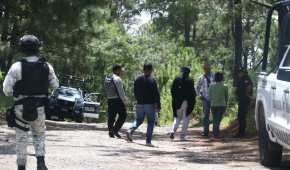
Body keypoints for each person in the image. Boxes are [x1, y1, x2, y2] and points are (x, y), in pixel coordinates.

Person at [3, 35, 59, 170]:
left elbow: (6, 89)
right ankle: (40, 162)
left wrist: (14, 93)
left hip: (20, 108)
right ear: (37, 48)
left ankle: (21, 166)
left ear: (22, 49)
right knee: (39, 134)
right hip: (39, 107)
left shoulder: (16, 67)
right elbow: (55, 85)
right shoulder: (47, 66)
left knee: (21, 137)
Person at [126, 64, 161, 146]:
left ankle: (130, 130)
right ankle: (148, 141)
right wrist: (158, 105)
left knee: (139, 120)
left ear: (143, 69)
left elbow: (135, 91)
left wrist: (138, 99)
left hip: (139, 103)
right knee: (151, 122)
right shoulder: (152, 80)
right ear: (150, 70)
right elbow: (156, 94)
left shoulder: (137, 79)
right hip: (149, 104)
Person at [170, 67, 196, 140]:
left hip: (177, 102)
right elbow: (192, 92)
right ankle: (182, 136)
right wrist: (192, 102)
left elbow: (172, 90)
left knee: (177, 118)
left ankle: (173, 131)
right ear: (188, 73)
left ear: (181, 71)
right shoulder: (190, 80)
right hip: (187, 102)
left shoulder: (176, 79)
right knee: (186, 118)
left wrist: (175, 99)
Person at [104, 64, 128, 138]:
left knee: (111, 115)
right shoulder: (117, 79)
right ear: (117, 70)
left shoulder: (107, 78)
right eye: (121, 70)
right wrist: (125, 101)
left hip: (110, 99)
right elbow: (121, 92)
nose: (122, 71)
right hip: (117, 100)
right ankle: (115, 130)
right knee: (123, 115)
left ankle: (111, 130)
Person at [196, 62, 215, 137]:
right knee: (206, 115)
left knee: (214, 115)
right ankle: (206, 131)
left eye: (207, 68)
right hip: (205, 99)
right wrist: (199, 95)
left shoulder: (214, 76)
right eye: (205, 68)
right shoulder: (201, 77)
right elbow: (197, 87)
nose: (206, 70)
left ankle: (215, 131)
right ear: (204, 69)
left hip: (214, 98)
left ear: (210, 68)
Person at [209, 72, 228, 139]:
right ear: (222, 78)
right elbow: (226, 97)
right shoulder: (225, 86)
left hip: (213, 105)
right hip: (221, 105)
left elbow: (209, 96)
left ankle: (215, 133)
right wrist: (226, 105)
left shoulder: (211, 86)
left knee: (215, 119)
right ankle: (216, 134)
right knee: (218, 120)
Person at [235, 68, 253, 138]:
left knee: (241, 116)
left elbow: (249, 87)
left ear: (243, 72)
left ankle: (241, 133)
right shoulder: (243, 79)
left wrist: (248, 95)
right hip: (242, 100)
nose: (239, 74)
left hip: (244, 100)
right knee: (241, 116)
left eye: (240, 72)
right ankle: (241, 132)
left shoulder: (246, 79)